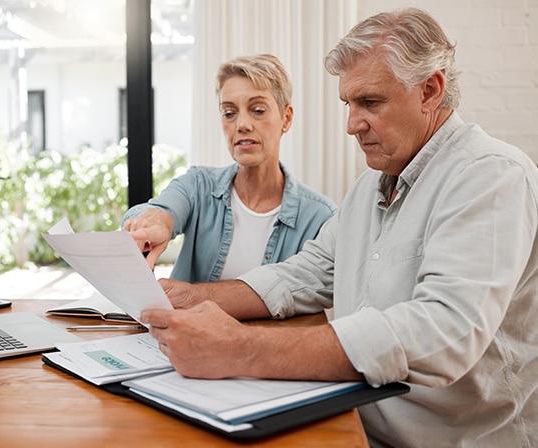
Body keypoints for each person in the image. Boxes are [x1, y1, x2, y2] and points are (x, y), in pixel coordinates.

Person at [139, 8, 538, 447]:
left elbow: (443, 333)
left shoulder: (491, 175)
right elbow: (305, 273)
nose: (351, 125)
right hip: (351, 421)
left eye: (370, 102)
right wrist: (192, 297)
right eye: (349, 104)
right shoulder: (371, 186)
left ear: (430, 90)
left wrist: (241, 348)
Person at [122, 54, 336, 282]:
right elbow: (164, 208)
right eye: (229, 113)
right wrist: (155, 223)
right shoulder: (198, 185)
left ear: (286, 118)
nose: (242, 125)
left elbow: (312, 294)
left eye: (258, 110)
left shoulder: (319, 217)